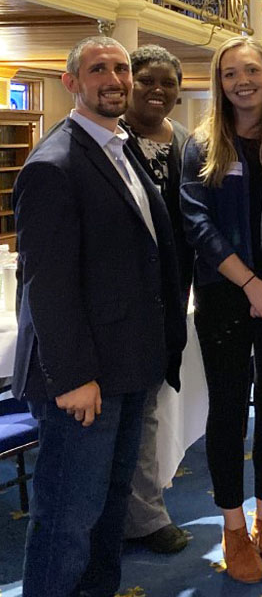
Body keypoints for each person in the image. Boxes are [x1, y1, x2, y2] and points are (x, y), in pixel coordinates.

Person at [12, 36, 186, 596]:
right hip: (83, 381)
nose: (113, 79)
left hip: (128, 367)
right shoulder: (54, 163)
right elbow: (48, 285)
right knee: (66, 519)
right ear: (72, 83)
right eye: (98, 69)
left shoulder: (121, 145)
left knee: (109, 514)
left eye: (120, 68)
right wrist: (74, 379)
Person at [180, 36, 262, 584]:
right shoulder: (201, 146)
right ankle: (232, 526)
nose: (241, 81)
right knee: (228, 411)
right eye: (230, 73)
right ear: (219, 82)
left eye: (251, 70)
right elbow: (197, 226)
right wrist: (250, 283)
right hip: (227, 296)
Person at [119, 44, 193, 555]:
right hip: (120, 299)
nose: (156, 90)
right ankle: (137, 514)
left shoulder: (188, 145)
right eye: (146, 79)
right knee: (127, 411)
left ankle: (139, 507)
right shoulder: (110, 142)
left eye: (167, 82)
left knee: (149, 407)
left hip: (171, 296)